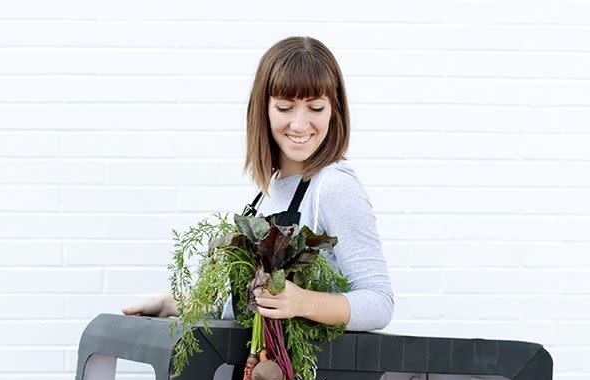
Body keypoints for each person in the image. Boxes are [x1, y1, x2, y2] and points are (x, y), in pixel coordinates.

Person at [122, 35, 394, 333]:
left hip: (307, 378)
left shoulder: (332, 187)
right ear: (263, 109)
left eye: (316, 108)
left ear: (334, 111)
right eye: (285, 107)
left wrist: (301, 302)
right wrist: (172, 304)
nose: (300, 124)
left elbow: (379, 303)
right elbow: (240, 308)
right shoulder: (266, 195)